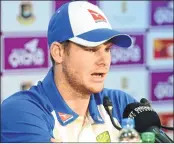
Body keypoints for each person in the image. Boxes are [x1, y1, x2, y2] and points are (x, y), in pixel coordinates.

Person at [1, 1, 137, 142]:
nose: (104, 61)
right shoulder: (21, 112)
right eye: (91, 49)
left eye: (107, 49)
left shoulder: (121, 103)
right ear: (58, 52)